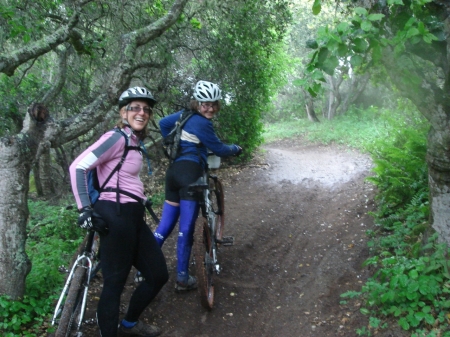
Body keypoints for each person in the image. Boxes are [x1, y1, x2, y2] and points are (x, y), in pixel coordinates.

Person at [69, 87, 168, 337]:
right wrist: (85, 210)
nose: (142, 112)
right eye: (135, 107)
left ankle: (130, 324)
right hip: (114, 214)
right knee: (114, 283)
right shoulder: (116, 138)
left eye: (146, 109)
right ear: (123, 111)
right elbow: (78, 167)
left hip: (132, 215)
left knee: (157, 274)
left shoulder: (134, 141)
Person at [152, 80, 242, 291]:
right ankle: (182, 277)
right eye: (205, 104)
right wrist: (236, 148)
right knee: (186, 229)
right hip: (191, 175)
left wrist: (176, 143)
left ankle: (141, 270)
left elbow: (164, 124)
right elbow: (219, 149)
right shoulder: (202, 123)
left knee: (164, 226)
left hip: (173, 173)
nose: (209, 108)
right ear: (197, 102)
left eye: (213, 104)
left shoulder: (185, 116)